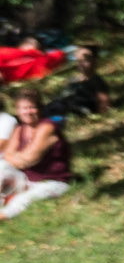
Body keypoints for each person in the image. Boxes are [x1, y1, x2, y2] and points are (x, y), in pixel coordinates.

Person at [0, 90, 71, 219]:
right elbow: (7, 156)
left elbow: (31, 158)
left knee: (23, 199)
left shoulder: (47, 127)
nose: (28, 112)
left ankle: (4, 215)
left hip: (52, 182)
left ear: (39, 108)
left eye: (31, 107)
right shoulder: (20, 129)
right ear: (18, 111)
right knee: (1, 166)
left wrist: (16, 157)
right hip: (27, 179)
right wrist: (18, 158)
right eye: (23, 108)